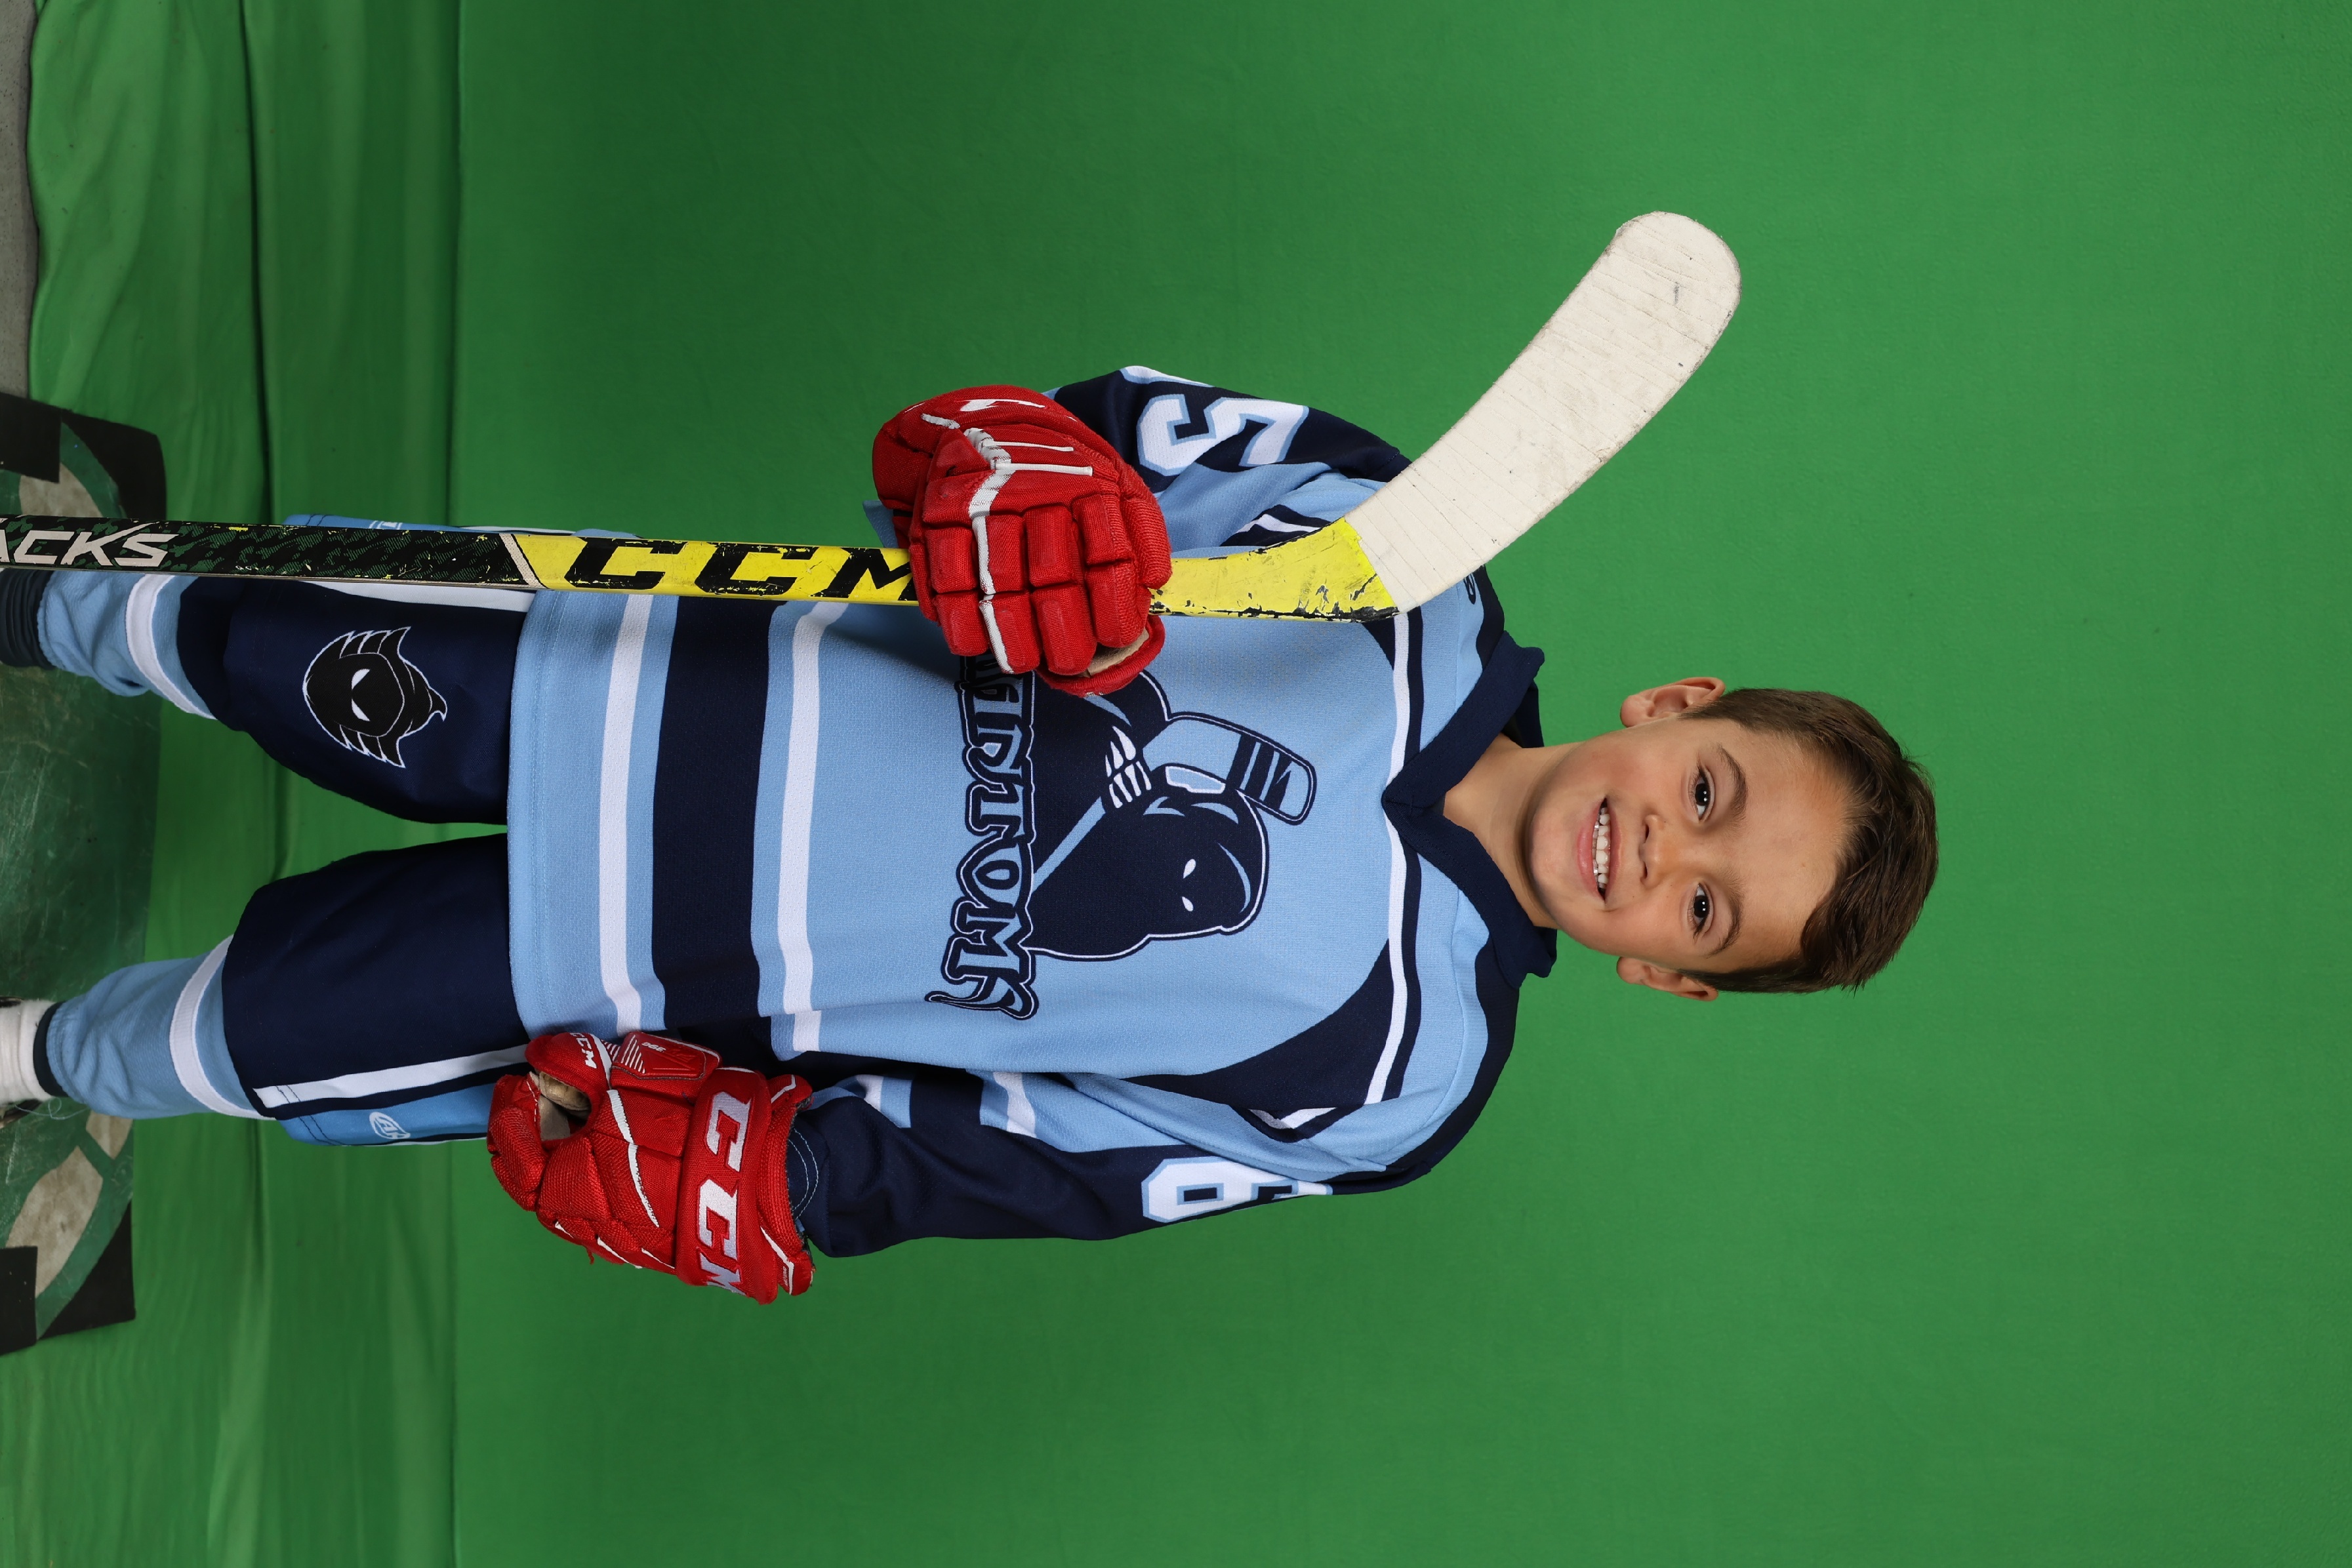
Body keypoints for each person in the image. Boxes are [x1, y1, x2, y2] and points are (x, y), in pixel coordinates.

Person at [0, 368, 1937, 1300]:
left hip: (654, 969)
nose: (1658, 857)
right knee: (246, 628)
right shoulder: (1399, 547)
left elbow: (1057, 1159)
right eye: (1711, 796)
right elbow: (1066, 428)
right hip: (642, 675)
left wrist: (797, 1176)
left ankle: (28, 1057)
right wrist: (1020, 478)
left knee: (248, 1036)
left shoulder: (1396, 1089)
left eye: (1705, 913)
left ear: (1666, 980)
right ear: (1677, 705)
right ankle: (40, 594)